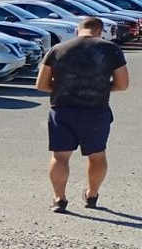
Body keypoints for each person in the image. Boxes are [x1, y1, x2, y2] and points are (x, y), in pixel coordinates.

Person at [36, 15, 129, 211]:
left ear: (78, 31)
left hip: (62, 110)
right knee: (97, 155)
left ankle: (59, 199)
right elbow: (122, 84)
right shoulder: (111, 49)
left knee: (60, 156)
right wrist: (101, 88)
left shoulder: (58, 49)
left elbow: (41, 84)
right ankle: (92, 195)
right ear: (100, 31)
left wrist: (64, 88)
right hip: (95, 110)